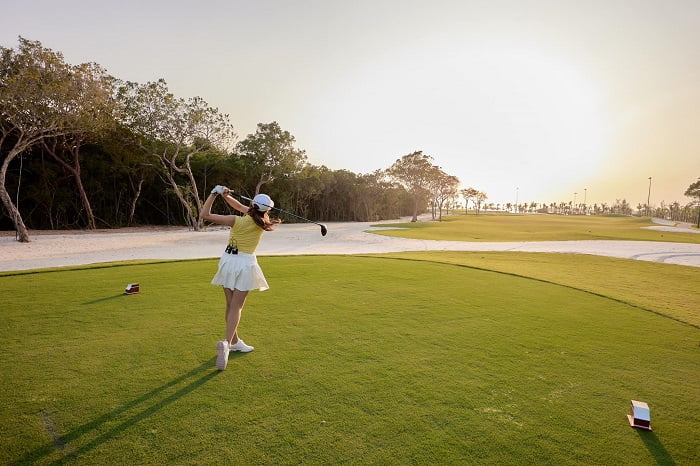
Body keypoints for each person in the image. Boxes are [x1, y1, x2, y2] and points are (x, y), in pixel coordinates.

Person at [201, 185, 280, 370]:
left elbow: (205, 215)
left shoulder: (235, 221)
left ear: (252, 204)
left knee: (230, 305)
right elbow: (239, 206)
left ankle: (234, 342)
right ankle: (228, 344)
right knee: (237, 307)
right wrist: (226, 196)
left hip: (228, 261)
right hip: (245, 264)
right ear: (266, 210)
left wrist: (214, 194)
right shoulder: (263, 220)